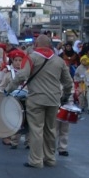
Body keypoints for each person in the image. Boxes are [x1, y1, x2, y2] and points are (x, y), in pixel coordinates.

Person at [21, 31, 69, 169]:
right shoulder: (59, 61)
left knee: (36, 129)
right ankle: (50, 158)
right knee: (51, 129)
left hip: (36, 98)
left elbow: (21, 76)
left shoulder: (31, 58)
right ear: (50, 45)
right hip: (54, 99)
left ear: (36, 45)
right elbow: (68, 82)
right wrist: (65, 95)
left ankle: (36, 160)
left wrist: (9, 89)